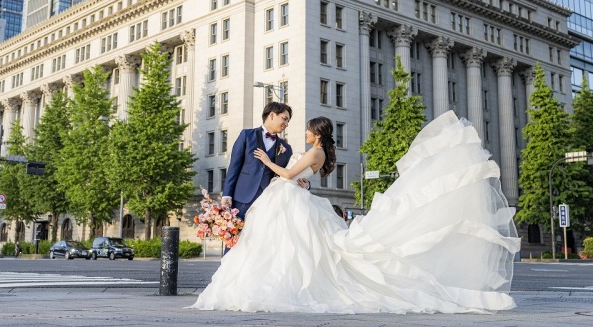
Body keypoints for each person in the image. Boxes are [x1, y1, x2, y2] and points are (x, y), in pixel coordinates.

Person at [190, 111, 521, 314]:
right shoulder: (309, 150)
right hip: (286, 197)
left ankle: (277, 286)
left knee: (291, 246)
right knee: (284, 245)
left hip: (287, 197)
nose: (300, 130)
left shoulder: (311, 151)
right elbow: (297, 176)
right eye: (288, 121)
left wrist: (268, 162)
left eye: (306, 128)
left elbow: (289, 174)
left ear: (317, 132)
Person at [221, 102, 298, 220]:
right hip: (242, 198)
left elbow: (290, 173)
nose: (287, 124)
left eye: (288, 121)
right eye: (285, 119)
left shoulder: (286, 148)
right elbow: (234, 167)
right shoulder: (247, 135)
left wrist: (306, 185)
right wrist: (227, 194)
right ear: (272, 115)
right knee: (237, 231)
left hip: (268, 201)